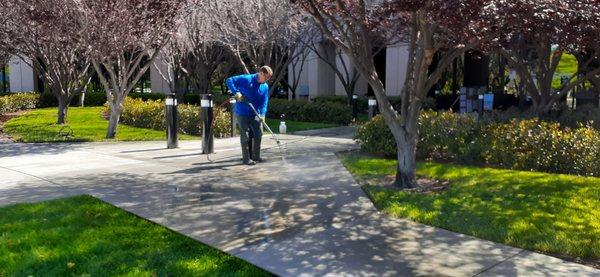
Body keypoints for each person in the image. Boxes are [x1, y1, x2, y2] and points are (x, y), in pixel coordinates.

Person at [226, 66, 272, 165]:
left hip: (256, 113)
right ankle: (246, 159)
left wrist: (263, 114)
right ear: (261, 73)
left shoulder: (265, 87)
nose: (267, 80)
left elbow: (264, 101)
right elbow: (229, 80)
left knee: (259, 134)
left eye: (269, 78)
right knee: (245, 135)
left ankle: (256, 156)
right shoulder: (247, 79)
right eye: (266, 77)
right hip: (243, 112)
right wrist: (236, 92)